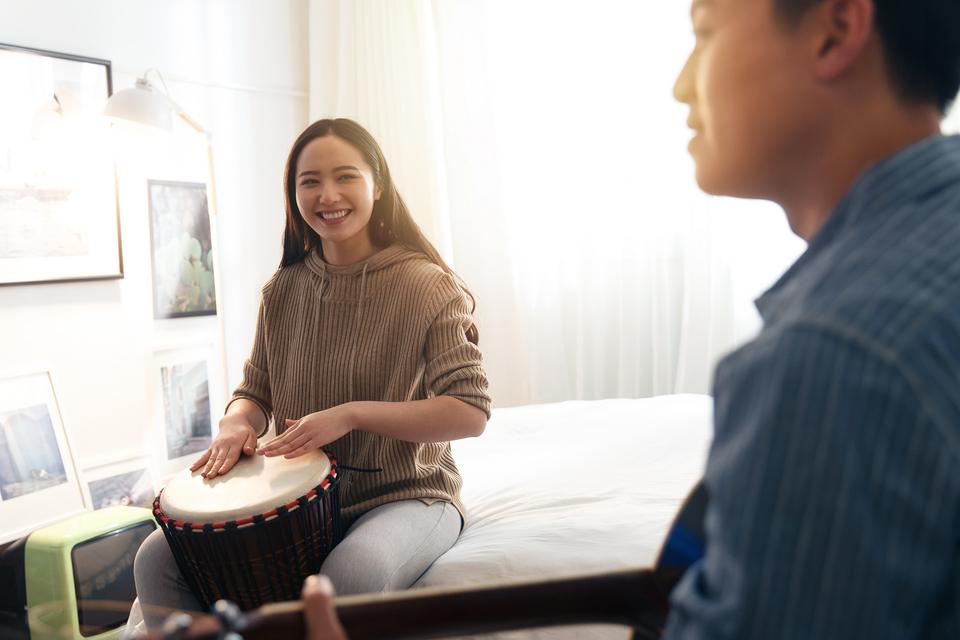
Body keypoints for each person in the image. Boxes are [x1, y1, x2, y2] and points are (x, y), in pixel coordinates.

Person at [301, 0, 960, 637]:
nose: (679, 86)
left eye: (706, 31)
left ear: (836, 28)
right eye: (309, 182)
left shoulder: (834, 359)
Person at [133, 117, 491, 632]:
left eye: (346, 176)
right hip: (297, 504)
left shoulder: (427, 285)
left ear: (378, 184)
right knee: (155, 559)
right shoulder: (283, 289)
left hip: (407, 494)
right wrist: (238, 422)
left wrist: (350, 415)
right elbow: (254, 391)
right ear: (293, 193)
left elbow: (469, 412)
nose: (328, 195)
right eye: (310, 181)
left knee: (349, 574)